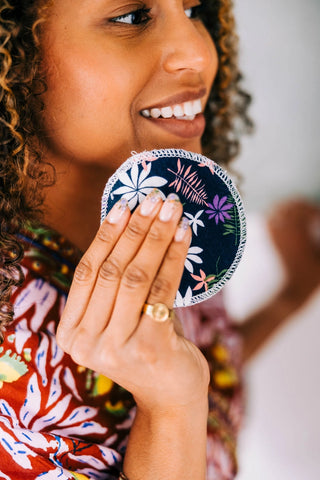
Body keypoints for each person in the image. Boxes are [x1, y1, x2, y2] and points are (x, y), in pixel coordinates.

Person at [0, 1, 252, 479]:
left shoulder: (175, 224)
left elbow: (200, 368)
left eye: (194, 9)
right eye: (133, 17)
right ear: (13, 56)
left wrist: (289, 298)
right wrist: (170, 410)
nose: (199, 52)